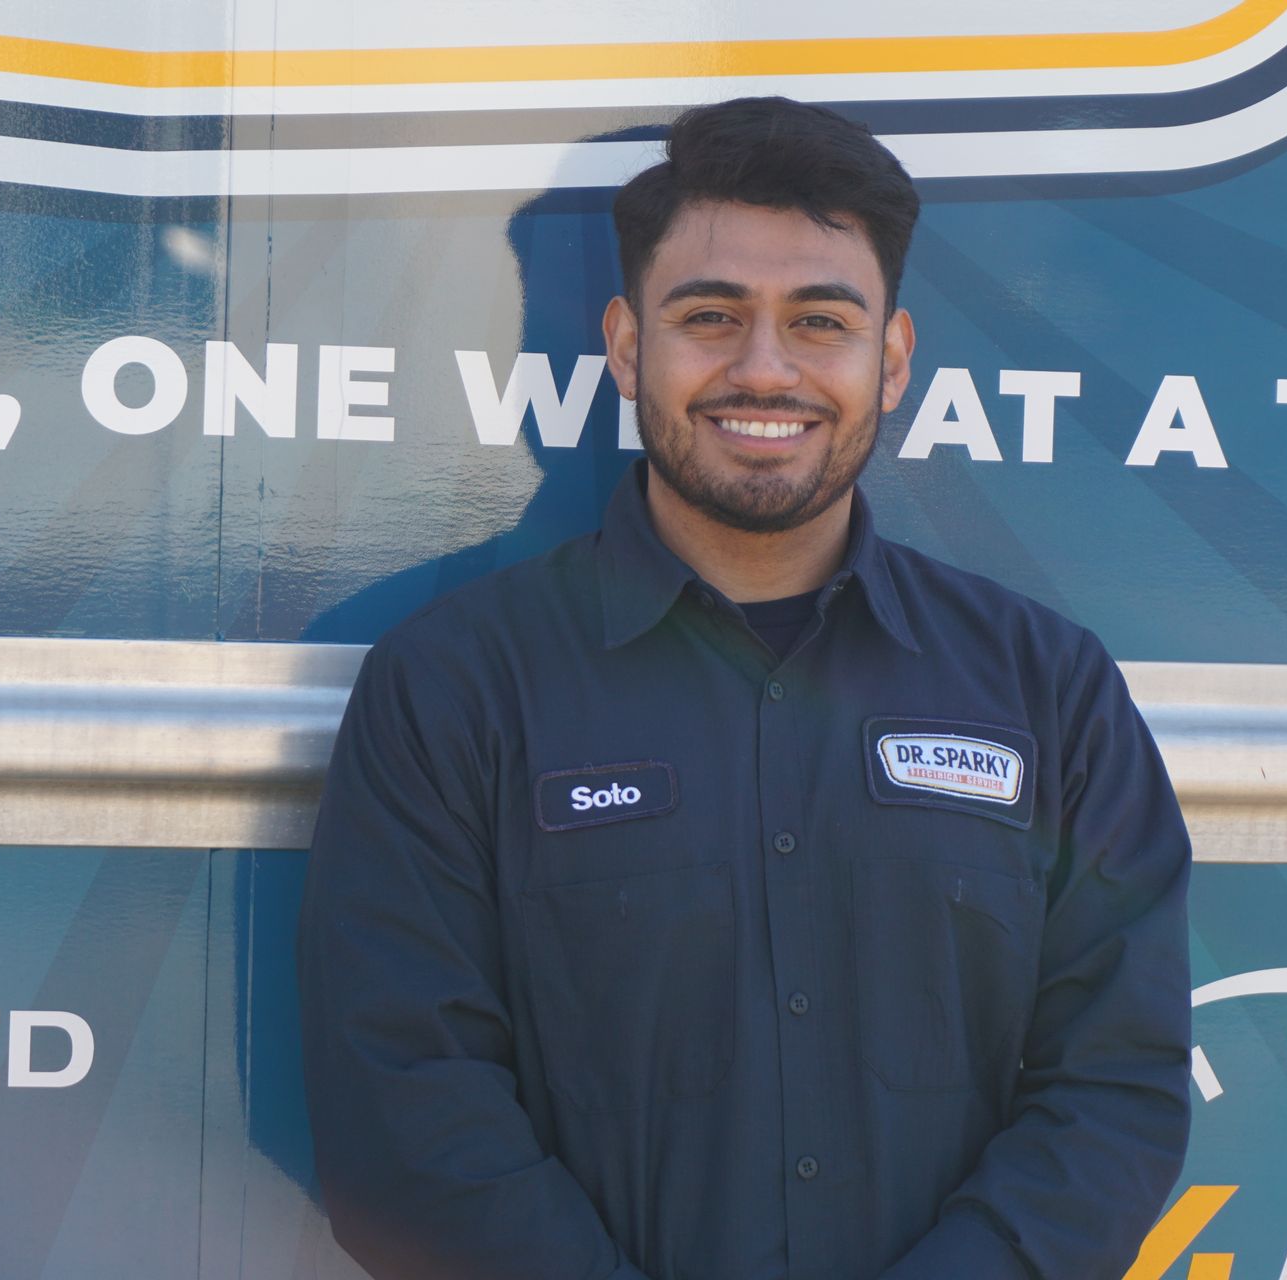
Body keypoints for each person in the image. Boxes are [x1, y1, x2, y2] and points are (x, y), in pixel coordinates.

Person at [298, 96, 1192, 1280]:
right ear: (628, 345)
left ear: (892, 358)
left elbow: (1116, 1085)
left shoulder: (1049, 690)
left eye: (820, 320)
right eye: (710, 315)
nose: (764, 367)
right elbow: (403, 1106)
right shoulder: (454, 687)